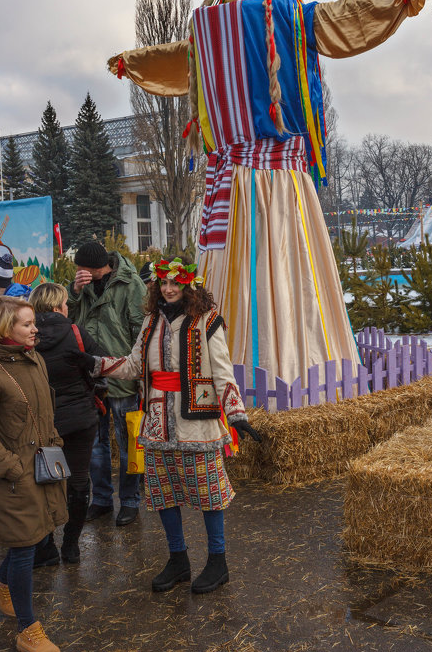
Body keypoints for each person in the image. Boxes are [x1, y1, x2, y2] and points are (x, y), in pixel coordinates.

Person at [108, 0, 432, 387]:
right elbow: (177, 59)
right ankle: (232, 366)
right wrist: (134, 63)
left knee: (288, 268)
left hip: (279, 175)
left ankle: (286, 361)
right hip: (232, 176)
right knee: (232, 266)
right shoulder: (205, 34)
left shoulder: (293, 18)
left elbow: (347, 15)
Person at [71, 256, 261, 594]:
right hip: (157, 423)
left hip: (197, 424)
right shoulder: (150, 322)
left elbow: (222, 371)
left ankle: (218, 561)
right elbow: (133, 366)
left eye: (176, 283)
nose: (169, 289)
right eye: (164, 284)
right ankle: (178, 559)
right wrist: (95, 363)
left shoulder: (207, 322)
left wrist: (237, 414)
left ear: (189, 284)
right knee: (162, 493)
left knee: (209, 494)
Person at [0, 296, 66, 652]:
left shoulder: (34, 359)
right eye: (27, 324)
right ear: (5, 329)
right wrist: (12, 467)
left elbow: (43, 412)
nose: (35, 328)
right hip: (10, 475)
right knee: (25, 546)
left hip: (42, 466)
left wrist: (53, 446)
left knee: (38, 537)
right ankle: (28, 630)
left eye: (32, 323)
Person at [67, 241, 146, 526]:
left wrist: (141, 375)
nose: (79, 272)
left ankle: (129, 501)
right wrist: (74, 292)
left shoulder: (131, 284)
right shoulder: (81, 287)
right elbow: (69, 320)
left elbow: (141, 332)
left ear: (97, 266)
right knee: (95, 445)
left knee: (128, 445)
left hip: (122, 377)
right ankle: (101, 500)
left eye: (82, 268)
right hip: (91, 378)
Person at [29, 282, 106, 565]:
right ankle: (71, 544)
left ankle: (46, 545)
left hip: (41, 423)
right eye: (65, 304)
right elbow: (100, 361)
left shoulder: (25, 335)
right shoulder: (75, 332)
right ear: (58, 306)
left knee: (42, 483)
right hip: (80, 419)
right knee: (77, 481)